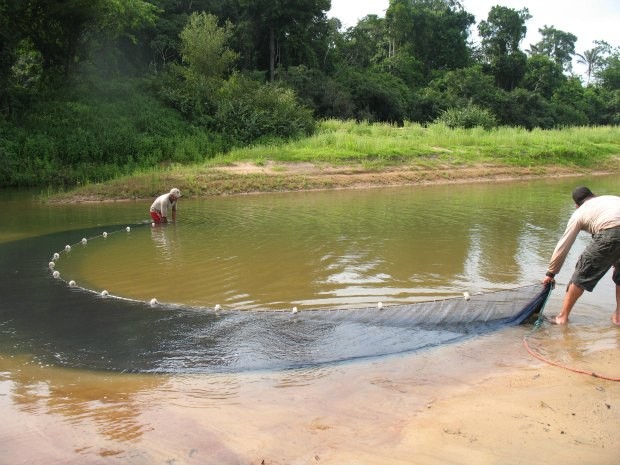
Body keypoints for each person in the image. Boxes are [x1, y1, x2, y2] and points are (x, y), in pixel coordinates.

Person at [542, 186, 620, 325]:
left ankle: (562, 317)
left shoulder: (579, 213)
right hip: (613, 229)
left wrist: (551, 273)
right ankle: (618, 317)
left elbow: (564, 245)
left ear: (576, 206)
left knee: (581, 275)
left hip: (611, 231)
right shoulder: (611, 199)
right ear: (594, 195)